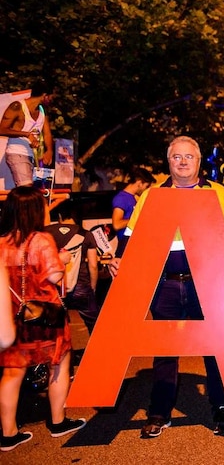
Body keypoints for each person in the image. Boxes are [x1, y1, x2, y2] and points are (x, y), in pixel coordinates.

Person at [109, 136, 224, 439]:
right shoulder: (152, 195)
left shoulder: (216, 192)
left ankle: (221, 408)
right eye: (177, 157)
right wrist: (122, 259)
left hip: (208, 284)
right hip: (166, 285)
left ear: (198, 161)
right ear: (168, 160)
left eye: (189, 156)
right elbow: (130, 236)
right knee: (164, 350)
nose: (183, 162)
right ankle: (159, 412)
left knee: (215, 348)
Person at [0, 186, 86, 452]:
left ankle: (9, 433)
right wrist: (63, 258)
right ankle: (58, 422)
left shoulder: (2, 241)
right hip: (44, 316)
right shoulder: (41, 240)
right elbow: (54, 277)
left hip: (12, 318)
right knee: (58, 365)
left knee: (12, 372)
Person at [44, 216, 99, 335]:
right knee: (94, 323)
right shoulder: (86, 234)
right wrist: (92, 287)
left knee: (55, 325)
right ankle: (96, 351)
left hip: (55, 287)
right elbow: (93, 265)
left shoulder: (45, 233)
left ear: (59, 217)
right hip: (81, 286)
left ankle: (63, 350)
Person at [0, 81, 55, 186]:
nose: (52, 100)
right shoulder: (17, 106)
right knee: (27, 189)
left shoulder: (43, 110)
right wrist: (26, 134)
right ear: (45, 95)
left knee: (29, 192)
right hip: (17, 153)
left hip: (33, 156)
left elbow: (47, 133)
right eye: (51, 96)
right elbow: (1, 129)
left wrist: (49, 151)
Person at [112, 167, 156, 247]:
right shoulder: (121, 198)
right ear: (139, 183)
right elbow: (116, 224)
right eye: (146, 186)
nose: (147, 190)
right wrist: (139, 219)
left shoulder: (132, 198)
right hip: (125, 245)